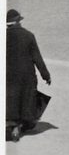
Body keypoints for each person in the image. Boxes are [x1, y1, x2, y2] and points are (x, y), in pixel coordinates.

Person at [7, 9, 50, 141]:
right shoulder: (28, 35)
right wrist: (45, 75)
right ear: (19, 21)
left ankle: (12, 126)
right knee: (27, 99)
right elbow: (37, 58)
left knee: (11, 100)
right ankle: (24, 124)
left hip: (8, 75)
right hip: (27, 75)